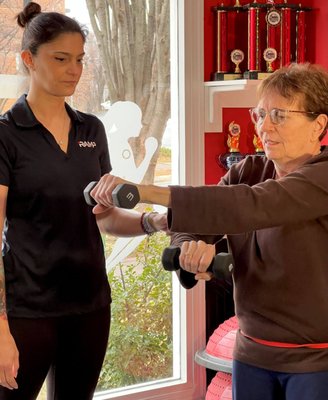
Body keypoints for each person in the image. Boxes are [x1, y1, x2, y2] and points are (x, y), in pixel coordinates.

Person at [90, 62, 328, 400]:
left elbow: (249, 206)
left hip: (316, 362)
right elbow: (199, 219)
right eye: (259, 115)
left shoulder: (322, 177)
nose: (265, 126)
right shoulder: (250, 169)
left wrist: (144, 191)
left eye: (279, 115)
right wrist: (192, 249)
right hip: (251, 355)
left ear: (318, 124)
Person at [0, 2, 166, 399]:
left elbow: (103, 218)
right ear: (29, 60)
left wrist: (152, 222)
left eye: (79, 59)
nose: (74, 70)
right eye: (61, 59)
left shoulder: (91, 129)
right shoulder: (6, 135)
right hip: (27, 310)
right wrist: (0, 326)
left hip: (90, 305)